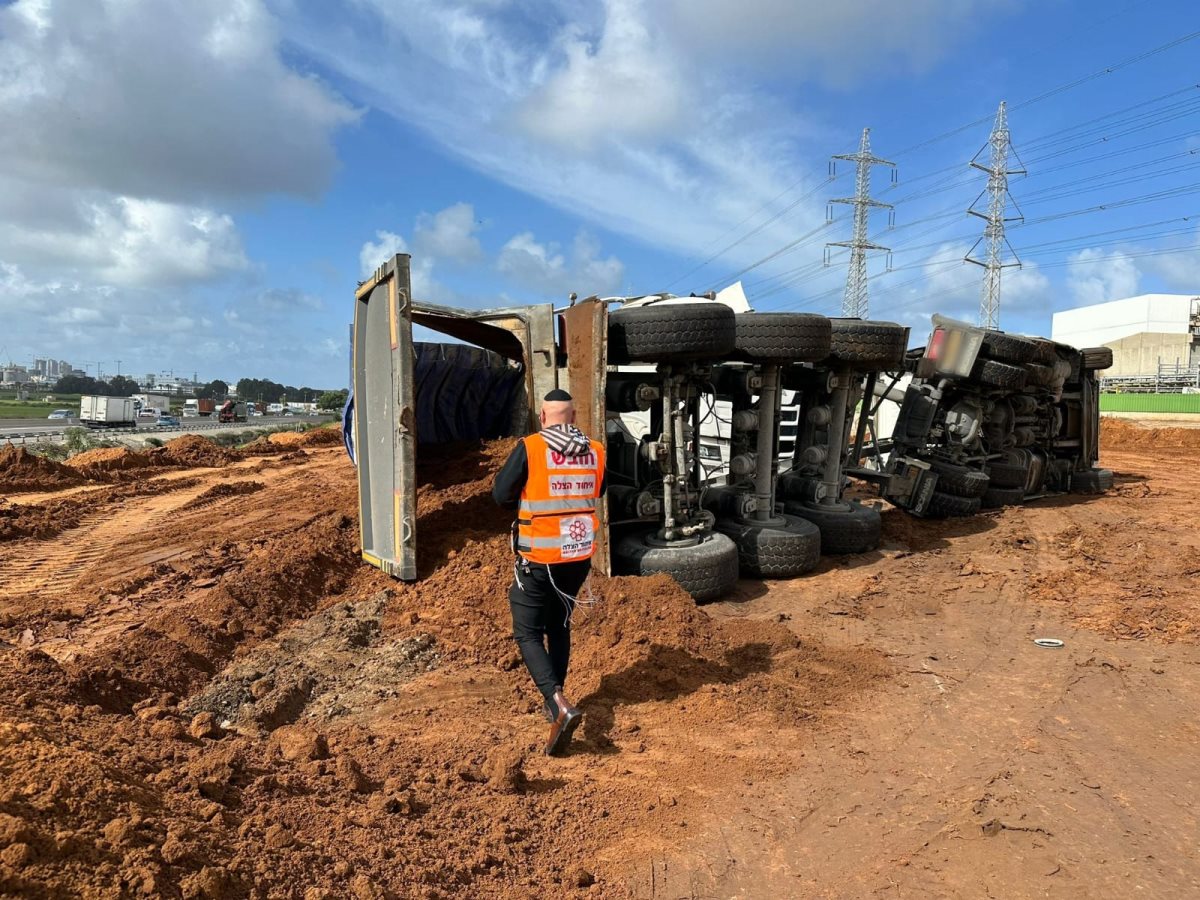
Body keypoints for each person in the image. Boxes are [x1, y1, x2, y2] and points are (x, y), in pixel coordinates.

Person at [492, 389, 606, 755]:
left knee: (527, 633)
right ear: (573, 417)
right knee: (559, 626)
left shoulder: (531, 448)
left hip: (539, 559)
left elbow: (500, 495)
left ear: (542, 417)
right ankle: (554, 701)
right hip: (577, 558)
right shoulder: (596, 450)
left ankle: (557, 704)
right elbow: (599, 488)